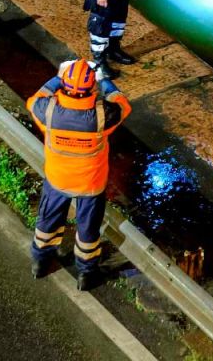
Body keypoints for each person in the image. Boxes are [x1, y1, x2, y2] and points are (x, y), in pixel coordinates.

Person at [27, 59, 131, 290]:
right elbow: (123, 105)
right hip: (90, 185)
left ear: (64, 85)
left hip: (58, 180)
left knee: (47, 222)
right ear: (91, 89)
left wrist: (57, 77)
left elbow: (34, 99)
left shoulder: (48, 111)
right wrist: (105, 81)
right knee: (88, 230)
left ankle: (40, 262)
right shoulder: (103, 116)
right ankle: (86, 274)